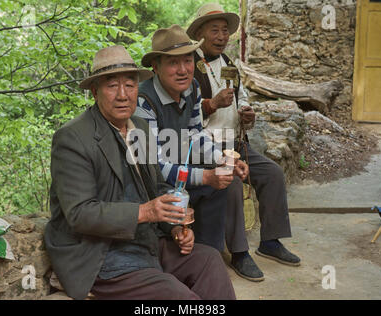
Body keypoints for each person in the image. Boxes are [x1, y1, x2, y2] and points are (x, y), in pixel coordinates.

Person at [44, 45, 236, 300]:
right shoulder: (72, 138)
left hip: (144, 242)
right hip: (101, 254)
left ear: (137, 88)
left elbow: (156, 187)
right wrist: (146, 212)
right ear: (95, 91)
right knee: (179, 298)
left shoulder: (140, 128)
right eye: (112, 86)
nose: (123, 95)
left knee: (210, 261)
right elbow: (80, 214)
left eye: (130, 85)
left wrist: (174, 227)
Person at [134, 25, 266, 281]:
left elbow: (196, 134)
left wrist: (222, 160)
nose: (183, 69)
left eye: (187, 60)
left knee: (227, 184)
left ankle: (210, 258)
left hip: (181, 172)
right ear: (156, 67)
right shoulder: (143, 101)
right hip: (153, 185)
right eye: (173, 63)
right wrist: (206, 177)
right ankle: (188, 264)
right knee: (210, 183)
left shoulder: (193, 88)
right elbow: (152, 164)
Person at [186, 3, 301, 280]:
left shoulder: (229, 64)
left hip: (234, 145)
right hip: (203, 148)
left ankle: (270, 241)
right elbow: (183, 112)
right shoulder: (187, 64)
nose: (222, 36)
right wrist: (211, 104)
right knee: (233, 182)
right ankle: (239, 252)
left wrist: (245, 113)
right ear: (200, 33)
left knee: (272, 173)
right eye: (214, 30)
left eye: (225, 31)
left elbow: (242, 98)